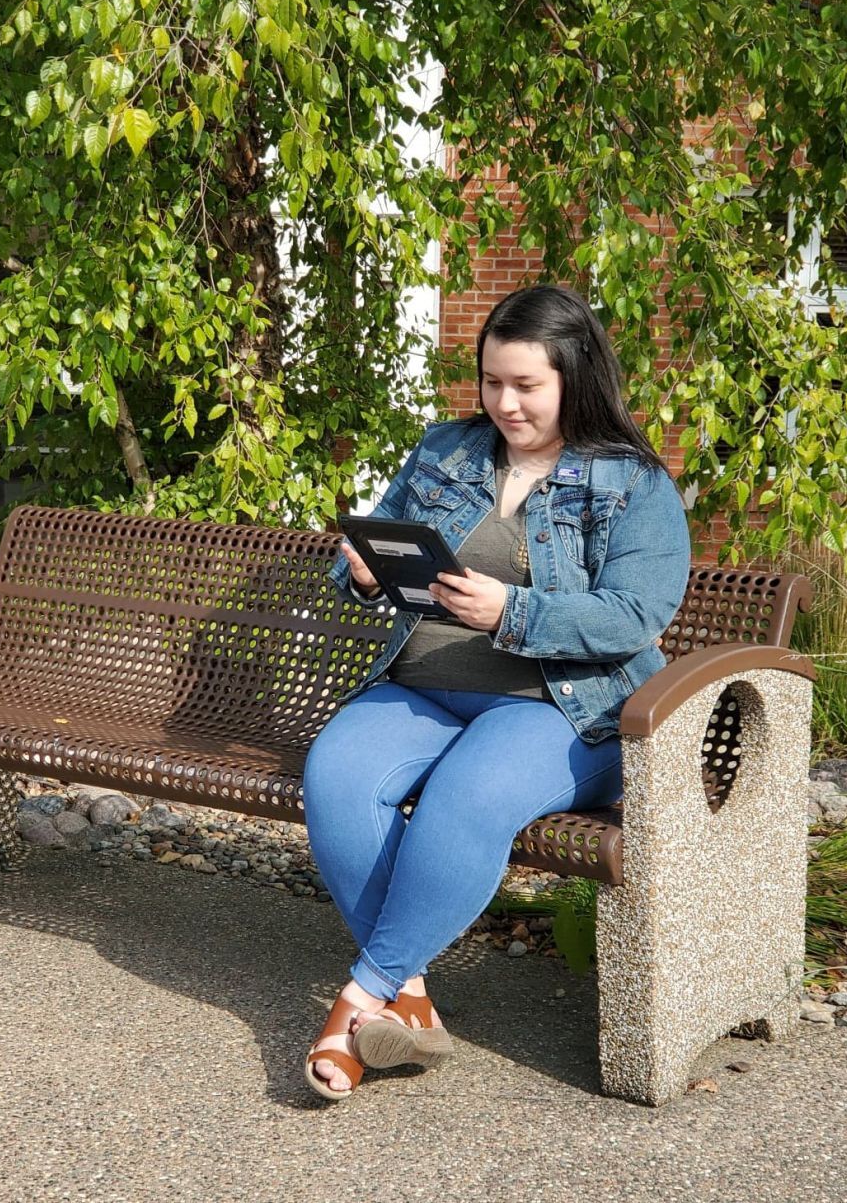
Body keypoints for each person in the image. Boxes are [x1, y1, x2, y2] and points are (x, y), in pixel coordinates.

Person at [300, 283, 693, 1100]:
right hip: (427, 680)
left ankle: (358, 1002)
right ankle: (405, 1001)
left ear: (574, 377)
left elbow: (636, 613)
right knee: (334, 774)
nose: (505, 403)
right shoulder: (446, 449)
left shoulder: (632, 483)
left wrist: (514, 610)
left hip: (557, 704)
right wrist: (361, 569)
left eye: (527, 386)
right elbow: (372, 543)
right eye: (492, 382)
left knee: (463, 798)